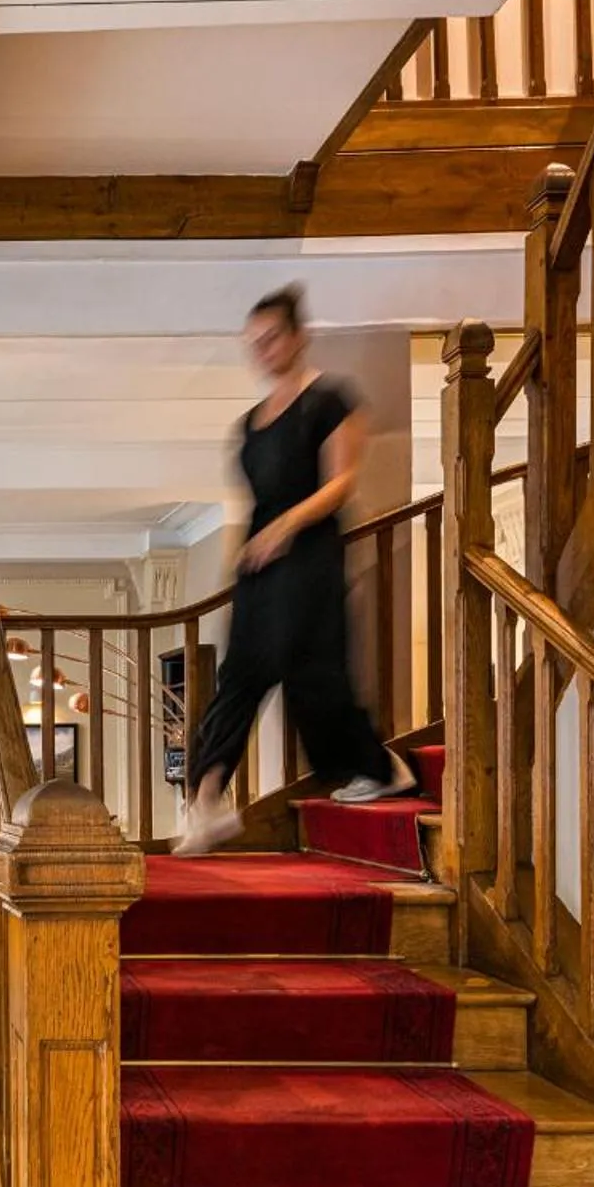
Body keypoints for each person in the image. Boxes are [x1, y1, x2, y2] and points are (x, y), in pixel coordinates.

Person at [175, 286, 413, 855]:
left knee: (315, 682)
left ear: (298, 337)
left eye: (272, 337)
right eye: (253, 342)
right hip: (260, 570)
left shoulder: (330, 400)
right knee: (238, 677)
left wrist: (284, 529)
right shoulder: (251, 424)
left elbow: (340, 483)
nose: (262, 349)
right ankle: (206, 799)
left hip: (308, 560)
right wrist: (254, 545)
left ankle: (382, 769)